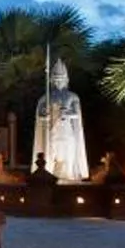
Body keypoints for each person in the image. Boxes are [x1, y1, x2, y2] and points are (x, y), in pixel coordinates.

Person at [31, 49, 91, 183]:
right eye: (56, 79)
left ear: (66, 79)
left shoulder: (72, 97)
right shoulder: (45, 98)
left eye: (61, 78)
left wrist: (67, 113)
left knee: (69, 158)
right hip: (52, 133)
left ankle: (69, 176)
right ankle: (49, 177)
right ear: (51, 80)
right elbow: (40, 116)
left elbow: (77, 114)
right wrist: (44, 115)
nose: (58, 81)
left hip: (67, 133)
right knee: (50, 156)